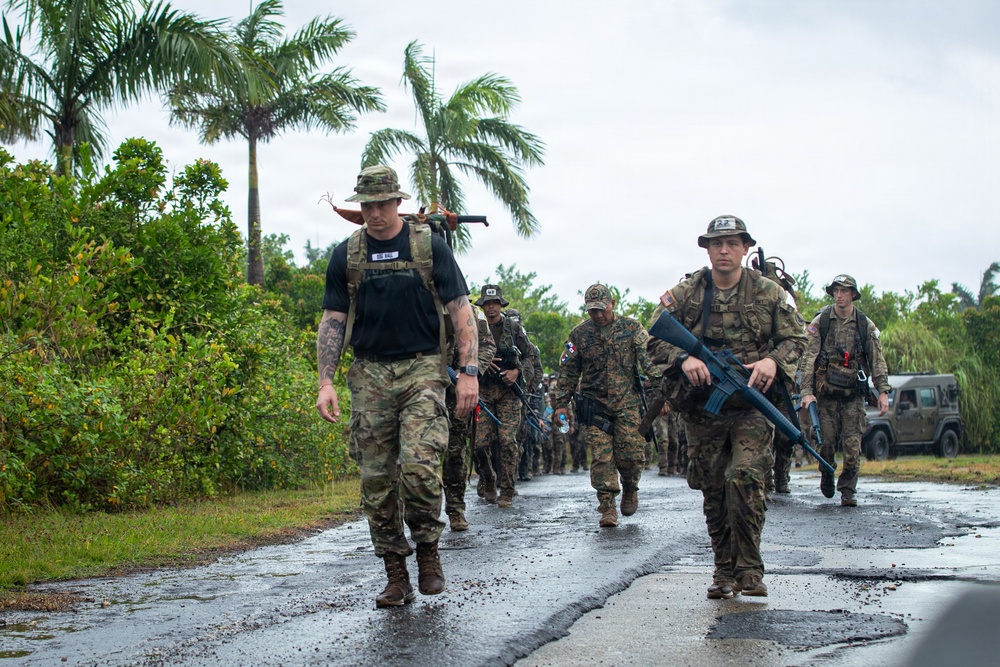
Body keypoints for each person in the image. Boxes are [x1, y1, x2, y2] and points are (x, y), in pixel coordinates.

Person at [316, 165, 479, 609]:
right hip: (368, 373)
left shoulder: (429, 247)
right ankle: (395, 573)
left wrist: (468, 372)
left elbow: (460, 311)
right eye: (367, 205)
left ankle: (428, 552)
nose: (374, 213)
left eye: (382, 204)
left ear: (397, 203)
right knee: (376, 481)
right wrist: (325, 380)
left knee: (420, 467)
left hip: (423, 369)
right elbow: (333, 320)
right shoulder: (345, 255)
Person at [647, 215, 807, 598]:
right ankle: (723, 570)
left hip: (751, 405)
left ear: (746, 248)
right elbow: (652, 339)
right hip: (704, 409)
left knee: (746, 478)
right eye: (717, 244)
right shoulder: (688, 292)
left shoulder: (768, 292)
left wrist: (772, 362)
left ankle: (750, 569)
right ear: (706, 248)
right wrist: (684, 359)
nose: (724, 250)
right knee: (714, 488)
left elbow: (797, 338)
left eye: (733, 243)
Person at [553, 284, 662, 528]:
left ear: (612, 304)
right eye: (593, 310)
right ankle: (607, 506)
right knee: (601, 458)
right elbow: (568, 371)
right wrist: (561, 404)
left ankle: (631, 487)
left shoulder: (631, 328)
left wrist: (660, 391)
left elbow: (650, 360)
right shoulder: (579, 335)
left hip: (627, 404)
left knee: (632, 456)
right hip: (595, 405)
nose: (598, 314)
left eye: (602, 309)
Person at [799, 275, 891, 507]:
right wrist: (806, 391)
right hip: (826, 397)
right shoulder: (822, 322)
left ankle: (848, 490)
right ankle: (827, 473)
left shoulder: (864, 324)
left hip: (853, 397)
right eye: (836, 291)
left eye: (844, 291)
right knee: (826, 444)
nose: (839, 295)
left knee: (852, 448)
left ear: (853, 295)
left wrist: (882, 391)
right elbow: (809, 358)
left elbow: (876, 358)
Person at [473, 285, 536, 508]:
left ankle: (507, 489)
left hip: (509, 393)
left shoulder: (513, 328)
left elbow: (530, 357)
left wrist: (517, 372)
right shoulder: (474, 327)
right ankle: (488, 476)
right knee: (479, 444)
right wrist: (481, 361)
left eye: (495, 304)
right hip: (482, 392)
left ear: (501, 305)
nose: (491, 308)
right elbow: (460, 352)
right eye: (487, 304)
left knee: (508, 441)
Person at [443, 303, 496, 532]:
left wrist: (469, 372)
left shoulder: (471, 310)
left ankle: (456, 509)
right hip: (421, 386)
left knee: (455, 450)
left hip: (456, 391)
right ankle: (419, 514)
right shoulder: (414, 297)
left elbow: (486, 345)